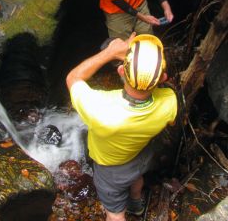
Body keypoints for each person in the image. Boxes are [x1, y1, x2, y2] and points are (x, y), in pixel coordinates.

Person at [66, 33, 177, 221]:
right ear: (163, 78)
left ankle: (126, 210)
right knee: (136, 178)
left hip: (110, 171)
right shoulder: (169, 102)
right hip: (141, 156)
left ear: (120, 72)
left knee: (115, 213)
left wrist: (110, 53)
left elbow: (73, 78)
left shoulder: (99, 108)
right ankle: (136, 204)